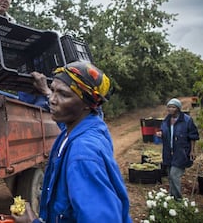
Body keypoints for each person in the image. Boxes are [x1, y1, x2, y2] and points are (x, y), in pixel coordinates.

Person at [13, 61, 131, 223]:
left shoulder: (82, 155)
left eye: (63, 94)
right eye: (53, 90)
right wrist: (46, 91)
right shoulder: (83, 128)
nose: (52, 100)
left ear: (87, 104)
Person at [155, 98, 199, 200]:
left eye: (173, 107)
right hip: (168, 152)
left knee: (174, 175)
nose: (170, 109)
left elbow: (193, 136)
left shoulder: (187, 120)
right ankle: (171, 197)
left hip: (181, 152)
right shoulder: (166, 120)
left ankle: (178, 199)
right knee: (170, 176)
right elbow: (164, 131)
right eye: (169, 107)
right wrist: (160, 133)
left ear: (178, 108)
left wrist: (192, 151)